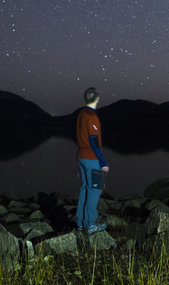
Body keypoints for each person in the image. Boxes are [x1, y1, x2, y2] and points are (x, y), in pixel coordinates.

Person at [75, 86, 109, 234]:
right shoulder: (92, 116)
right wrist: (102, 162)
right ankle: (90, 224)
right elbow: (94, 141)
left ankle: (80, 223)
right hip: (91, 159)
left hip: (81, 157)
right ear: (97, 99)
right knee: (95, 190)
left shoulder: (81, 114)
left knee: (85, 189)